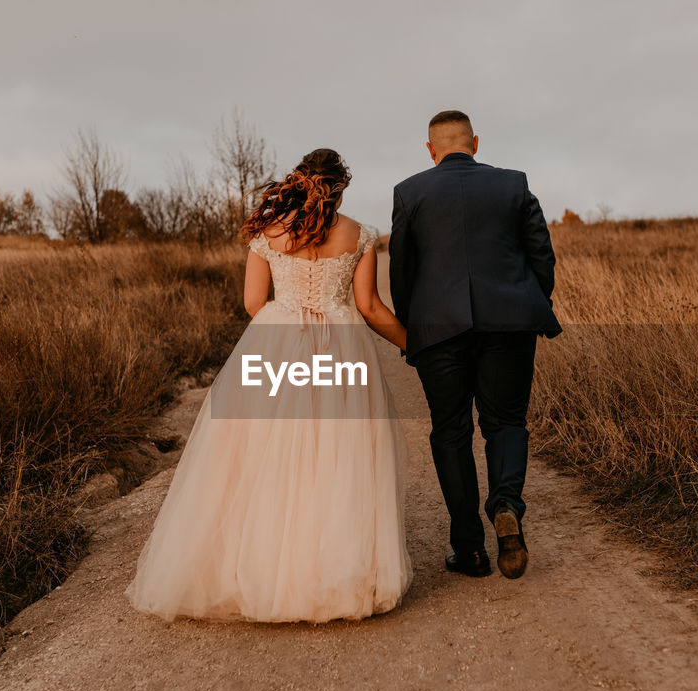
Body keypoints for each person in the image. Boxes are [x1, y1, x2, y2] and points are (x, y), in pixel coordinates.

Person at [125, 149, 412, 623]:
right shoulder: (360, 236)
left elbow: (254, 302)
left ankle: (263, 571)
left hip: (278, 346)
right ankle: (335, 571)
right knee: (338, 456)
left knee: (263, 455)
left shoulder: (267, 232)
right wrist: (412, 345)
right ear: (340, 187)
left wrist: (289, 327)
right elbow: (370, 308)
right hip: (341, 351)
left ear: (298, 181)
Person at [389, 111, 561, 579]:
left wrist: (412, 331)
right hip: (510, 322)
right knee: (505, 422)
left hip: (438, 330)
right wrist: (528, 303)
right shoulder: (513, 184)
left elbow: (401, 273)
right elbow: (540, 254)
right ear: (475, 143)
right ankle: (505, 504)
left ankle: (469, 548)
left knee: (451, 432)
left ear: (431, 149)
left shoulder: (410, 193)